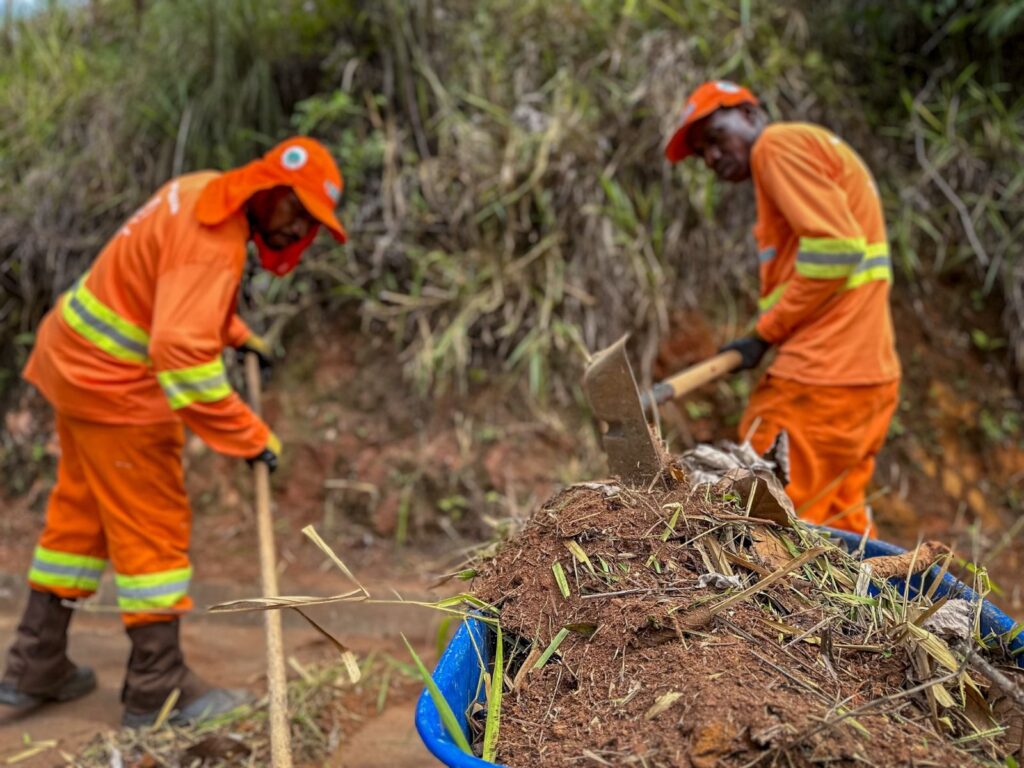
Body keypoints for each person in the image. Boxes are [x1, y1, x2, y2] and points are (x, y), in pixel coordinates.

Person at [0, 137, 347, 726]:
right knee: (152, 530)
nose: (297, 231)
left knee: (77, 522)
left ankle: (36, 663)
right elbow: (181, 357)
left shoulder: (200, 190)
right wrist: (251, 437)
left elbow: (173, 285)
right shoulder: (215, 244)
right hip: (115, 390)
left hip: (73, 363)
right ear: (271, 192)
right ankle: (157, 689)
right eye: (299, 212)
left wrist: (235, 332)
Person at [665, 81, 900, 535]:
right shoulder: (806, 152)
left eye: (714, 138)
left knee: (757, 521)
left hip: (819, 381)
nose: (711, 157)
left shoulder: (777, 145)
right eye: (701, 153)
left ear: (751, 115)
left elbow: (836, 248)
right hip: (865, 384)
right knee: (838, 532)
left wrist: (764, 333)